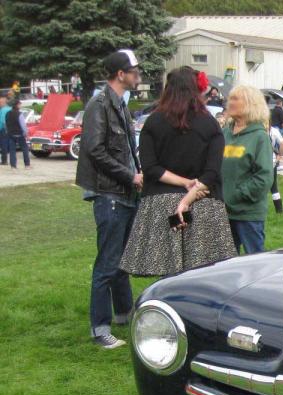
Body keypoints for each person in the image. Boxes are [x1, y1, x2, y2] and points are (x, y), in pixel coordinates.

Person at [120, 67, 234, 277]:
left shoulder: (153, 122)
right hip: (203, 204)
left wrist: (183, 187)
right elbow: (211, 173)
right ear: (195, 90)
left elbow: (151, 168)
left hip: (161, 204)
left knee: (166, 278)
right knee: (202, 276)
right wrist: (188, 196)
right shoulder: (210, 124)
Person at [75, 49, 143, 349]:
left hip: (125, 194)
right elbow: (94, 150)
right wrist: (131, 177)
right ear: (120, 74)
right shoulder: (99, 105)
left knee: (122, 261)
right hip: (110, 194)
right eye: (134, 71)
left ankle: (124, 314)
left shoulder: (120, 105)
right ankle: (100, 329)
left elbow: (127, 149)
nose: (138, 75)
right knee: (107, 263)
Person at [221, 85, 274, 254]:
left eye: (236, 99)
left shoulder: (260, 137)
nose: (230, 102)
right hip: (223, 212)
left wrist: (236, 195)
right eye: (230, 98)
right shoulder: (224, 134)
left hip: (248, 214)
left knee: (254, 264)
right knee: (224, 264)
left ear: (250, 104)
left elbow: (264, 177)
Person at [5, 98, 30, 169]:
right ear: (17, 105)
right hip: (20, 134)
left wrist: (8, 131)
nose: (20, 106)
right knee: (25, 149)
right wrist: (26, 134)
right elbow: (23, 125)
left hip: (11, 134)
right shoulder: (19, 114)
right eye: (19, 104)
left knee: (12, 150)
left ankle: (13, 166)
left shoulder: (8, 113)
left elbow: (6, 124)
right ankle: (27, 165)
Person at [268, 123, 283, 214]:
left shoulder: (254, 129)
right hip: (272, 161)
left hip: (261, 161)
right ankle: (279, 211)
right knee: (274, 187)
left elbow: (282, 143)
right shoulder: (274, 130)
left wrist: (279, 156)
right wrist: (279, 156)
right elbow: (282, 143)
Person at [0, 94, 10, 166]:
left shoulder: (3, 110)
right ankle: (6, 160)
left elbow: (2, 121)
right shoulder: (10, 108)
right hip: (10, 129)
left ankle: (4, 160)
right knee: (6, 144)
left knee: (3, 144)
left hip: (3, 129)